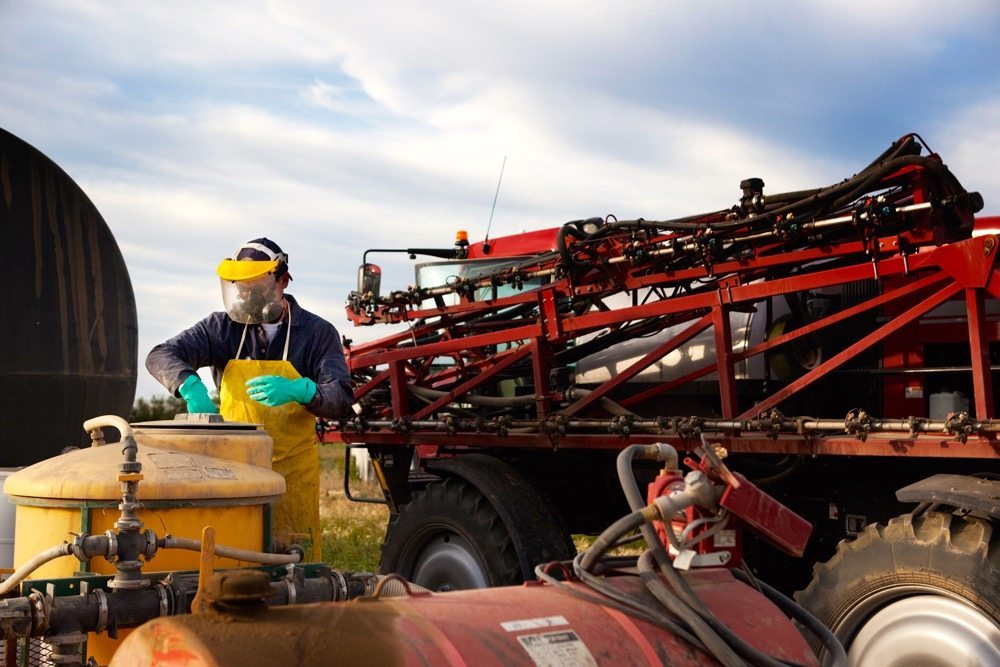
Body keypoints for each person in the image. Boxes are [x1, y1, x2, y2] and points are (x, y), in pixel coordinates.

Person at [146, 238, 353, 561]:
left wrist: (304, 391)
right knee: (233, 563)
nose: (247, 296)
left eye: (256, 286)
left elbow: (341, 399)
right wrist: (189, 386)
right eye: (242, 288)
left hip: (292, 476)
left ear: (282, 281)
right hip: (234, 472)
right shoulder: (222, 328)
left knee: (295, 566)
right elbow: (161, 355)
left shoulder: (316, 333)